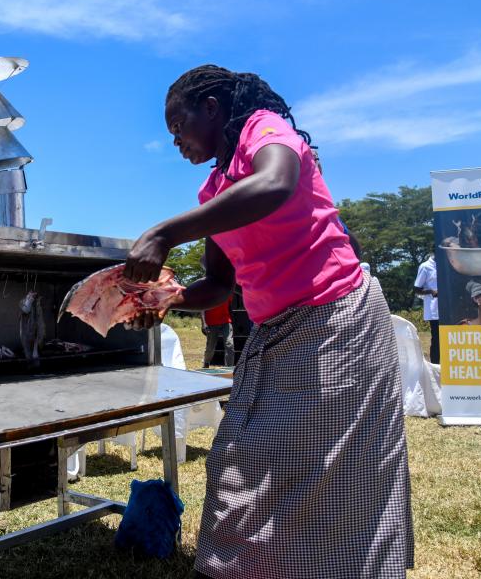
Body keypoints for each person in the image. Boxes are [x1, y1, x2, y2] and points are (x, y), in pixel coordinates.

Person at [123, 65, 412, 578]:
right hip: (276, 332)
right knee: (244, 460)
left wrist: (165, 234)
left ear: (211, 107)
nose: (177, 142)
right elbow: (218, 285)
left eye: (178, 126)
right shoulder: (214, 192)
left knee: (334, 473)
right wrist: (163, 301)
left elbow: (276, 183)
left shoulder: (264, 130)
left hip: (336, 323)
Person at [413, 254, 440, 363]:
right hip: (434, 309)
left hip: (447, 308)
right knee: (437, 339)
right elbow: (417, 289)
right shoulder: (425, 266)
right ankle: (435, 366)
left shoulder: (445, 264)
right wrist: (431, 291)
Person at [201, 295, 234, 369]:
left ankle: (229, 368)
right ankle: (206, 362)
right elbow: (202, 307)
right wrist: (203, 323)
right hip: (211, 322)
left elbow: (229, 307)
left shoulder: (228, 290)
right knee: (210, 347)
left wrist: (232, 322)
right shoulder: (209, 290)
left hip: (226, 321)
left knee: (229, 344)